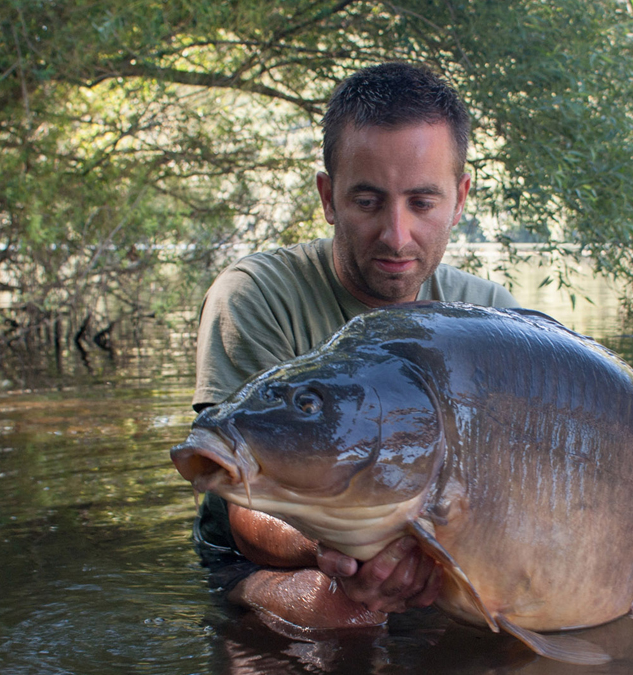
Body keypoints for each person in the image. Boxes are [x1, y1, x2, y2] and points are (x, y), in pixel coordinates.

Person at [191, 62, 519, 629]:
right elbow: (241, 499)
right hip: (279, 563)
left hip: (437, 555)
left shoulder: (496, 322)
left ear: (460, 199)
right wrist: (336, 554)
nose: (396, 235)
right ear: (328, 196)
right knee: (343, 614)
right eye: (368, 202)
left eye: (422, 202)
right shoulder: (255, 296)